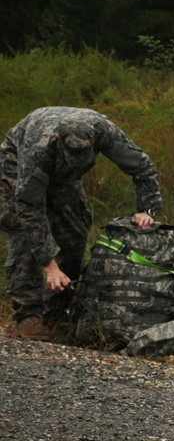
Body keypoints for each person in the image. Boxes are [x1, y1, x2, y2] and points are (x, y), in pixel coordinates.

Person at [0, 106, 162, 341]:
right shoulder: (38, 149)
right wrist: (50, 267)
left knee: (75, 229)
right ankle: (28, 315)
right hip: (17, 166)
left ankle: (58, 310)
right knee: (21, 229)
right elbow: (30, 211)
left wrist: (145, 209)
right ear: (58, 140)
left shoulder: (105, 132)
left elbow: (142, 166)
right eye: (72, 155)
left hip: (65, 178)